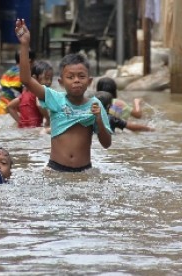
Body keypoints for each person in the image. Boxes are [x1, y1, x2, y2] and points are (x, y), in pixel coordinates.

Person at [15, 19, 112, 172]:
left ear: (90, 81)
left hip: (84, 170)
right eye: (71, 77)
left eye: (81, 76)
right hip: (55, 169)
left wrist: (99, 119)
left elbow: (107, 144)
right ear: (60, 82)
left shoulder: (95, 105)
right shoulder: (54, 98)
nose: (76, 81)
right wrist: (25, 44)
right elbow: (26, 79)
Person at [7, 60, 52, 129]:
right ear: (34, 78)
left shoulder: (24, 94)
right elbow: (39, 105)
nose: (49, 82)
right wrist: (48, 120)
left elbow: (10, 107)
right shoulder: (39, 93)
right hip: (35, 127)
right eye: (46, 78)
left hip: (24, 129)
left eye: (51, 79)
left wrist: (20, 122)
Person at [0, 50, 36, 115]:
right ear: (29, 61)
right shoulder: (25, 76)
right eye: (34, 63)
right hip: (13, 113)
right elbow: (27, 97)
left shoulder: (7, 73)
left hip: (0, 110)